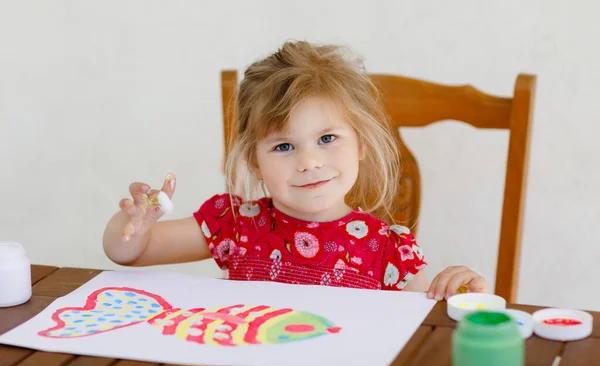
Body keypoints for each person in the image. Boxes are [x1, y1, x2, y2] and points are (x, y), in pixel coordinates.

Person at [102, 40, 487, 301]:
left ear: (362, 144)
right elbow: (131, 253)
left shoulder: (388, 251)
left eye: (327, 138)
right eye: (284, 146)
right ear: (255, 160)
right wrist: (134, 225)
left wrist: (462, 295)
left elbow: (424, 327)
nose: (309, 162)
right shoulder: (234, 224)